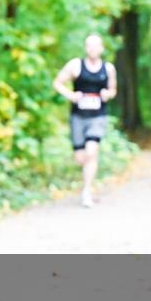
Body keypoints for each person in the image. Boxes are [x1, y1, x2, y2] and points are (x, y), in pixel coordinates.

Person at [52, 34, 118, 208]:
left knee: (92, 151)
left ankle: (86, 191)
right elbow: (58, 83)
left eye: (96, 46)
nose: (93, 49)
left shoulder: (108, 68)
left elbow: (112, 90)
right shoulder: (75, 65)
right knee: (81, 158)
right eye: (89, 45)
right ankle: (85, 181)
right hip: (78, 116)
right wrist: (71, 95)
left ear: (102, 48)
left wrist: (107, 94)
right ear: (85, 48)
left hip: (98, 116)